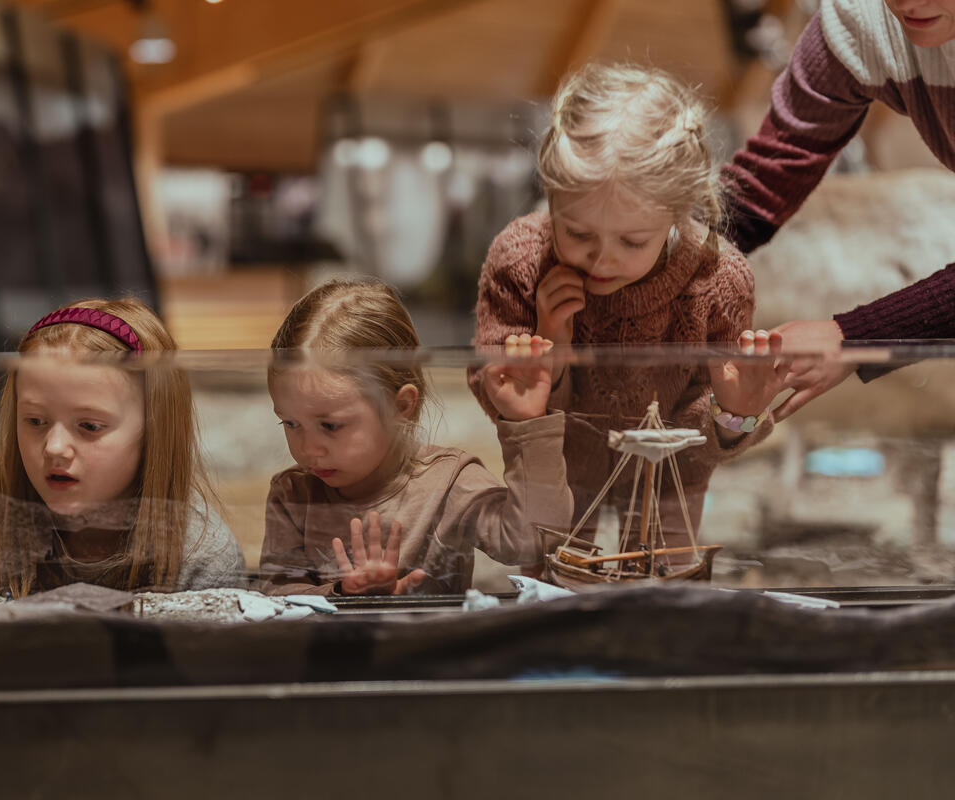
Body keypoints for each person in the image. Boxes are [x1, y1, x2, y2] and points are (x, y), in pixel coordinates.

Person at [469, 62, 784, 561]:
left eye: (632, 240)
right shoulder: (520, 258)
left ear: (681, 211)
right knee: (549, 591)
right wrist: (552, 346)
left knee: (667, 598)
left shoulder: (718, 278)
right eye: (578, 234)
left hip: (674, 477)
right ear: (551, 196)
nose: (601, 258)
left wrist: (735, 414)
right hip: (556, 473)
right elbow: (498, 394)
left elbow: (709, 432)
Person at [259, 277, 573, 596]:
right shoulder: (293, 494)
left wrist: (527, 423)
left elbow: (531, 542)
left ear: (401, 406)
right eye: (290, 423)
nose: (309, 448)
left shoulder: (449, 482)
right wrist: (342, 592)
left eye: (330, 425)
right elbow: (277, 594)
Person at [723, 0, 955, 418]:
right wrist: (657, 250)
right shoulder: (862, 19)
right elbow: (761, 186)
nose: (908, 3)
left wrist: (854, 338)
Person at [0, 298, 245, 598]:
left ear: (154, 430)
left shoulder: (203, 556)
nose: (55, 448)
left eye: (89, 426)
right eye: (34, 420)